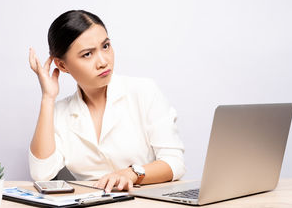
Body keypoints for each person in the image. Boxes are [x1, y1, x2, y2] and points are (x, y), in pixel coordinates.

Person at [28, 10, 185, 193]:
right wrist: (47, 98)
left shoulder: (143, 91)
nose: (103, 61)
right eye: (87, 54)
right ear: (62, 65)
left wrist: (131, 174)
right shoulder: (59, 112)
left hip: (145, 201)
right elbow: (41, 173)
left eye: (106, 46)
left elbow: (175, 162)